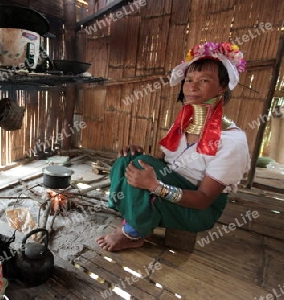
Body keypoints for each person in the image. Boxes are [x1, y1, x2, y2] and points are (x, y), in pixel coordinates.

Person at [97, 42, 251, 251]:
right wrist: (138, 154)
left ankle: (133, 232)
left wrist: (154, 186)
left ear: (222, 87)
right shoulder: (181, 126)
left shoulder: (232, 141)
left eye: (204, 80)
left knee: (138, 171)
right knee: (127, 161)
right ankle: (137, 219)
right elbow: (158, 163)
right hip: (172, 188)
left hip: (197, 210)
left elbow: (204, 200)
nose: (192, 86)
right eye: (188, 80)